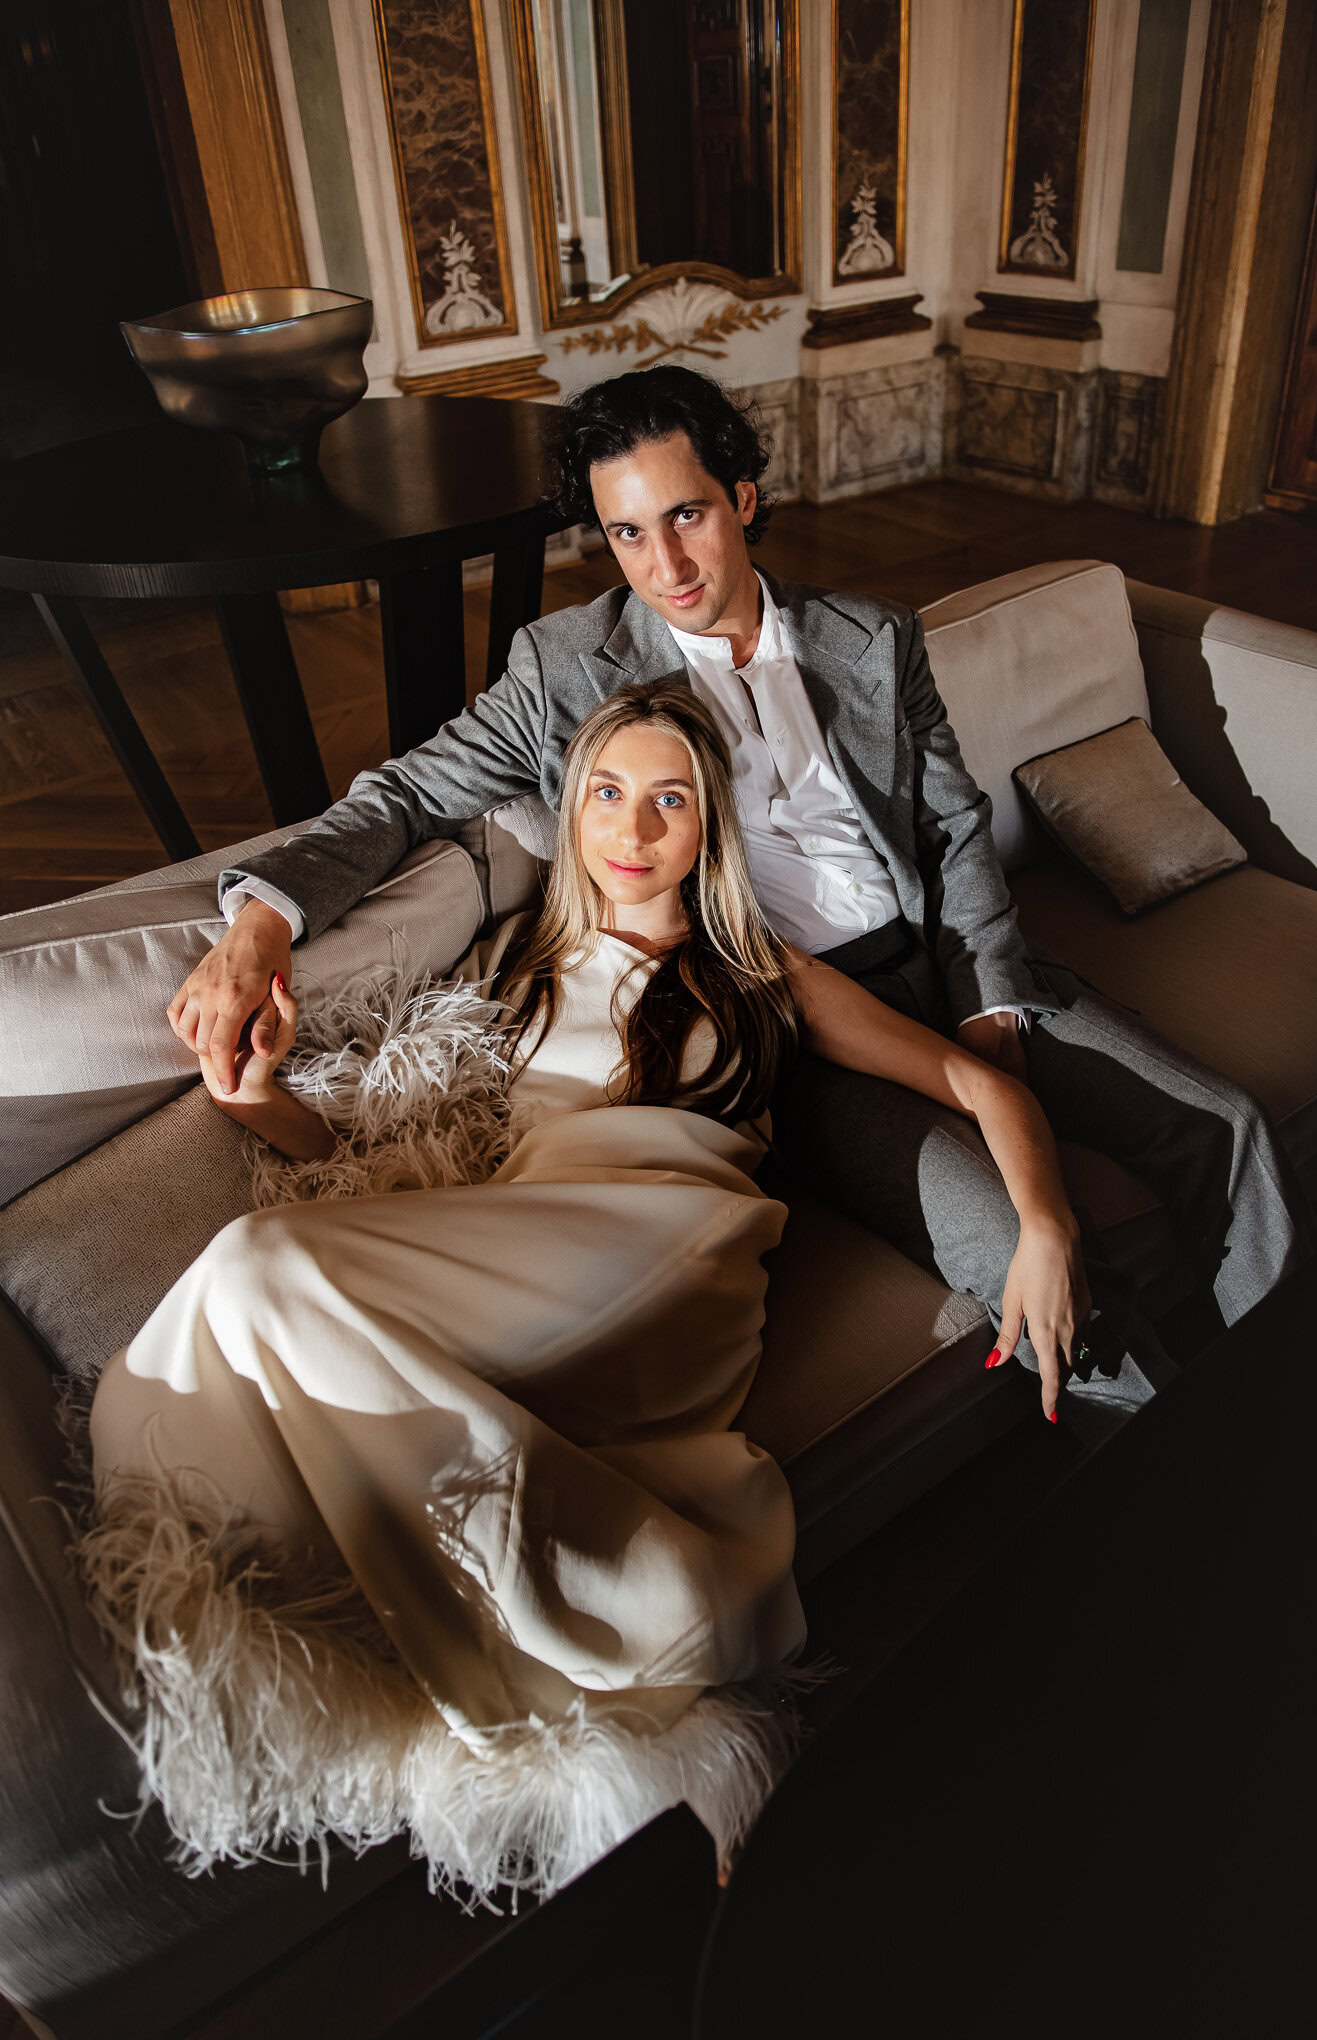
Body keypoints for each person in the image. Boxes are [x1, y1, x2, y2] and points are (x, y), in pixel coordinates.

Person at [89, 682, 1090, 1892]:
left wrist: (1043, 1227)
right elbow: (377, 1160)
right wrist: (256, 1098)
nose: (633, 828)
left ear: (708, 826)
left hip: (673, 1231)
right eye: (607, 793)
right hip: (528, 1234)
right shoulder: (517, 961)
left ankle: (523, 1689)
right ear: (570, 810)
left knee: (257, 1266)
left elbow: (981, 1084)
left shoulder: (755, 969)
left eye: (669, 801)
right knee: (217, 1317)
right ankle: (257, 1630)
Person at [168, 365, 1317, 1410]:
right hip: (788, 1022)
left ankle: (1286, 1415)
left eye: (686, 516)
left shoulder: (870, 638)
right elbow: (401, 796)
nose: (664, 566)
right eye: (627, 533)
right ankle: (1176, 1489)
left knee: (1223, 1126)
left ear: (744, 499)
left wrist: (989, 1004)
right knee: (1007, 1240)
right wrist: (258, 928)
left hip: (946, 960)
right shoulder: (560, 669)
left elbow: (952, 826)